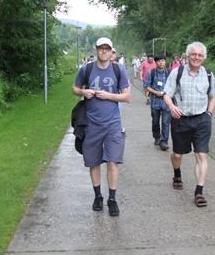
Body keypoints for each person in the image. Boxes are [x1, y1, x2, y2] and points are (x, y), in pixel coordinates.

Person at [72, 37, 131, 216]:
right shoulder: (87, 69)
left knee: (113, 161)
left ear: (112, 51)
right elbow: (75, 88)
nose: (104, 51)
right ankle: (98, 196)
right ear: (96, 50)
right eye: (101, 48)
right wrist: (83, 91)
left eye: (107, 48)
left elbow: (127, 96)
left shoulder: (118, 69)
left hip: (113, 123)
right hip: (91, 123)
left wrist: (108, 96)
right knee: (94, 162)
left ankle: (112, 199)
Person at [163, 42, 215, 207]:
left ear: (204, 58)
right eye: (193, 54)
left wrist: (209, 113)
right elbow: (167, 94)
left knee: (201, 155)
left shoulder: (208, 74)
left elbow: (213, 96)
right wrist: (172, 107)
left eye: (200, 55)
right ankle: (177, 174)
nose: (196, 57)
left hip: (202, 120)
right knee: (178, 155)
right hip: (181, 119)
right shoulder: (177, 72)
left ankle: (199, 192)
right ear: (187, 56)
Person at [144, 53, 171, 150]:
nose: (161, 63)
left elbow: (173, 86)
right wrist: (156, 92)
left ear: (165, 61)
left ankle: (164, 141)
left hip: (166, 102)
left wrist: (166, 93)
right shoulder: (152, 73)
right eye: (159, 61)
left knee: (165, 122)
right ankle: (157, 137)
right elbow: (146, 86)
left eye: (163, 60)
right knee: (155, 122)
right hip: (155, 102)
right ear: (156, 62)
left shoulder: (169, 72)